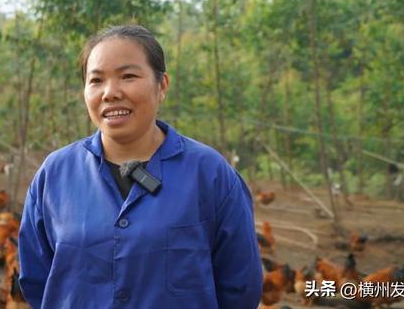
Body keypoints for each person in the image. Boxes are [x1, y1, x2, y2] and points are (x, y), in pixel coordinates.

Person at [18, 25, 262, 308]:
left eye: (128, 76)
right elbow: (37, 282)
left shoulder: (211, 174)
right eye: (96, 80)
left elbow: (240, 288)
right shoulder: (55, 175)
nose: (110, 92)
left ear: (162, 86)